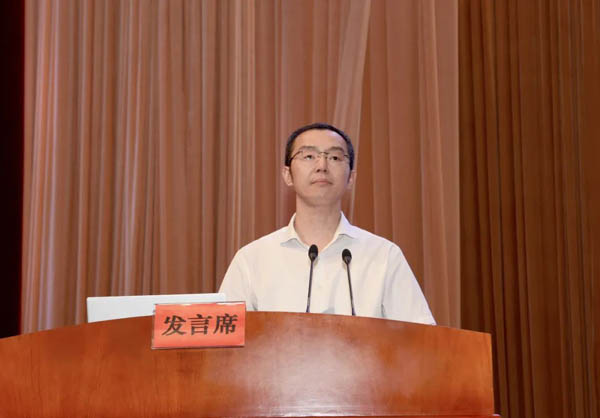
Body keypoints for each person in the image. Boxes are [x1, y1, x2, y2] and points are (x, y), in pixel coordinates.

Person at [219, 123, 435, 325]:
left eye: (334, 157)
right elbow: (222, 339)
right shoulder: (252, 260)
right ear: (287, 175)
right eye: (308, 156)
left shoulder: (384, 256)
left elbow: (421, 338)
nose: (322, 166)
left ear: (351, 178)